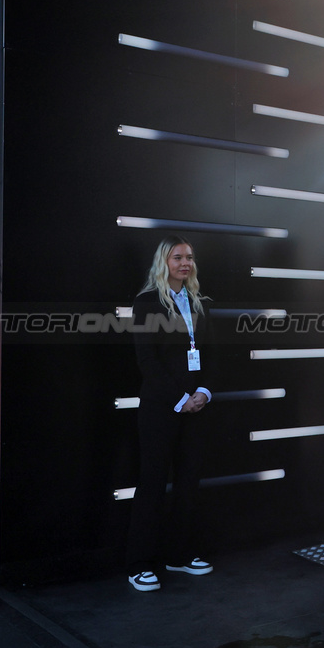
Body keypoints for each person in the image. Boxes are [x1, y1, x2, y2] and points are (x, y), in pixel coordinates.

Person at [127, 236, 216, 593]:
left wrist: (203, 392)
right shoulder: (147, 303)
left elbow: (211, 354)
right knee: (152, 484)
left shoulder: (200, 302)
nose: (185, 263)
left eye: (189, 257)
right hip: (161, 408)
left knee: (188, 483)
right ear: (163, 262)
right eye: (177, 257)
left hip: (196, 408)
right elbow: (146, 360)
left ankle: (178, 555)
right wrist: (181, 398)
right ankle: (139, 564)